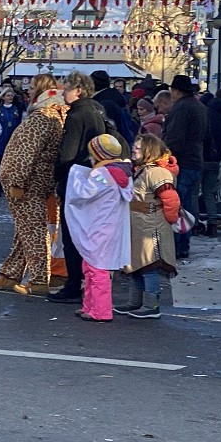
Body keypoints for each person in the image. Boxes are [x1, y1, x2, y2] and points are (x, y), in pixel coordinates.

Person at [0, 74, 68, 296]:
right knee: (26, 231)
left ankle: (39, 279)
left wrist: (17, 182)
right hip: (37, 181)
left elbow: (26, 152)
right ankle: (10, 274)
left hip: (29, 184)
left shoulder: (42, 117)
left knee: (33, 232)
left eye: (32, 87)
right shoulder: (55, 115)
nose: (28, 91)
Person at [49, 71, 106, 304]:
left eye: (67, 88)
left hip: (76, 180)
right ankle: (90, 283)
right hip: (95, 177)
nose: (63, 92)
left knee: (72, 236)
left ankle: (73, 285)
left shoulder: (76, 115)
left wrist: (56, 177)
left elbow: (68, 153)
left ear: (78, 90)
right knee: (88, 234)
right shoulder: (97, 110)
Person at [64, 135, 134, 322]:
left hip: (99, 226)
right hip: (109, 225)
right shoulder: (123, 172)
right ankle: (90, 305)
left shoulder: (104, 174)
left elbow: (84, 192)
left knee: (97, 268)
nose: (90, 158)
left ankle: (101, 311)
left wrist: (75, 173)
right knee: (91, 265)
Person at [117, 134, 179, 320]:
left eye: (138, 148)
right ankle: (135, 302)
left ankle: (151, 305)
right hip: (138, 223)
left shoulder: (156, 173)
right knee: (135, 264)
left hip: (151, 224)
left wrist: (170, 219)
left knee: (149, 265)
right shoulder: (142, 170)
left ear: (148, 151)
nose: (134, 150)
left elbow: (171, 199)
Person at [161, 75, 209, 260]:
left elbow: (175, 138)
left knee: (176, 206)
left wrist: (165, 157)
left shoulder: (181, 108)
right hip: (196, 160)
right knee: (188, 206)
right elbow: (206, 135)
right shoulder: (200, 107)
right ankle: (184, 245)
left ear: (176, 91)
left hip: (180, 162)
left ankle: (177, 245)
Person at [199, 91, 221, 237]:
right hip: (216, 159)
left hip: (200, 158)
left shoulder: (206, 114)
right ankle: (212, 225)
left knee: (194, 192)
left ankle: (195, 224)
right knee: (209, 193)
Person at [0, 87, 23, 196]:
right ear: (3, 97)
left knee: (11, 165)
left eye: (11, 95)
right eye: (8, 95)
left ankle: (9, 186)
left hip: (13, 140)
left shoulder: (16, 109)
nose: (10, 97)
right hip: (1, 140)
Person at [92, 69, 136, 146]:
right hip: (122, 142)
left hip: (111, 146)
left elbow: (106, 128)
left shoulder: (105, 102)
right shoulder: (116, 97)